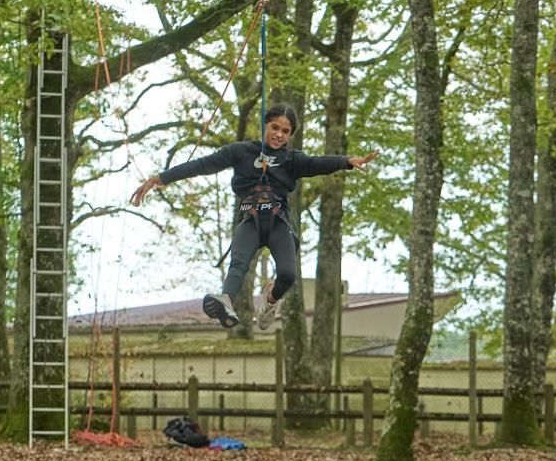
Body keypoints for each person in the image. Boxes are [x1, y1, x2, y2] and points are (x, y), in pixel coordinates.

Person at [130, 104, 378, 330]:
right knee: (238, 263)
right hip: (249, 219)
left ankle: (270, 301)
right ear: (265, 126)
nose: (279, 134)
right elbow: (202, 165)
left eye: (285, 131)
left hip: (278, 221)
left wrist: (347, 161)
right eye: (274, 127)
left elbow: (318, 163)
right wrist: (160, 178)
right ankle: (226, 300)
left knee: (288, 275)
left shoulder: (292, 160)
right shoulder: (241, 152)